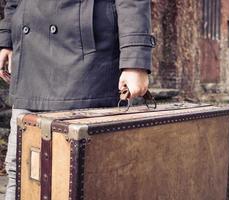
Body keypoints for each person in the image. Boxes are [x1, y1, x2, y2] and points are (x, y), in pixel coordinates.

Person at [0, 0, 156, 199]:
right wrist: (6, 37)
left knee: (85, 177)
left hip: (85, 59)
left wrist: (135, 61)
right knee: (21, 171)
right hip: (29, 54)